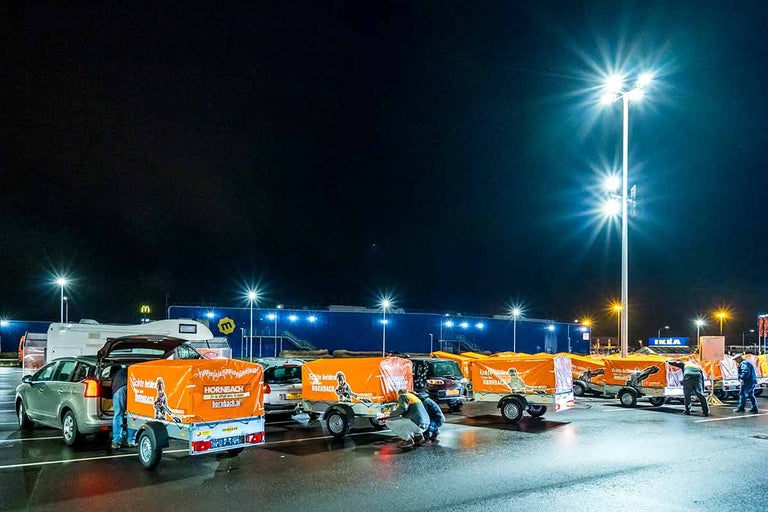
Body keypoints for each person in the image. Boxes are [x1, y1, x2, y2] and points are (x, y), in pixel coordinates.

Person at [111, 365, 128, 450]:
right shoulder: (127, 371)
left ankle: (116, 441)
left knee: (118, 414)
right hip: (132, 385)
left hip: (120, 388)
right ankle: (131, 440)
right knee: (132, 414)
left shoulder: (117, 376)